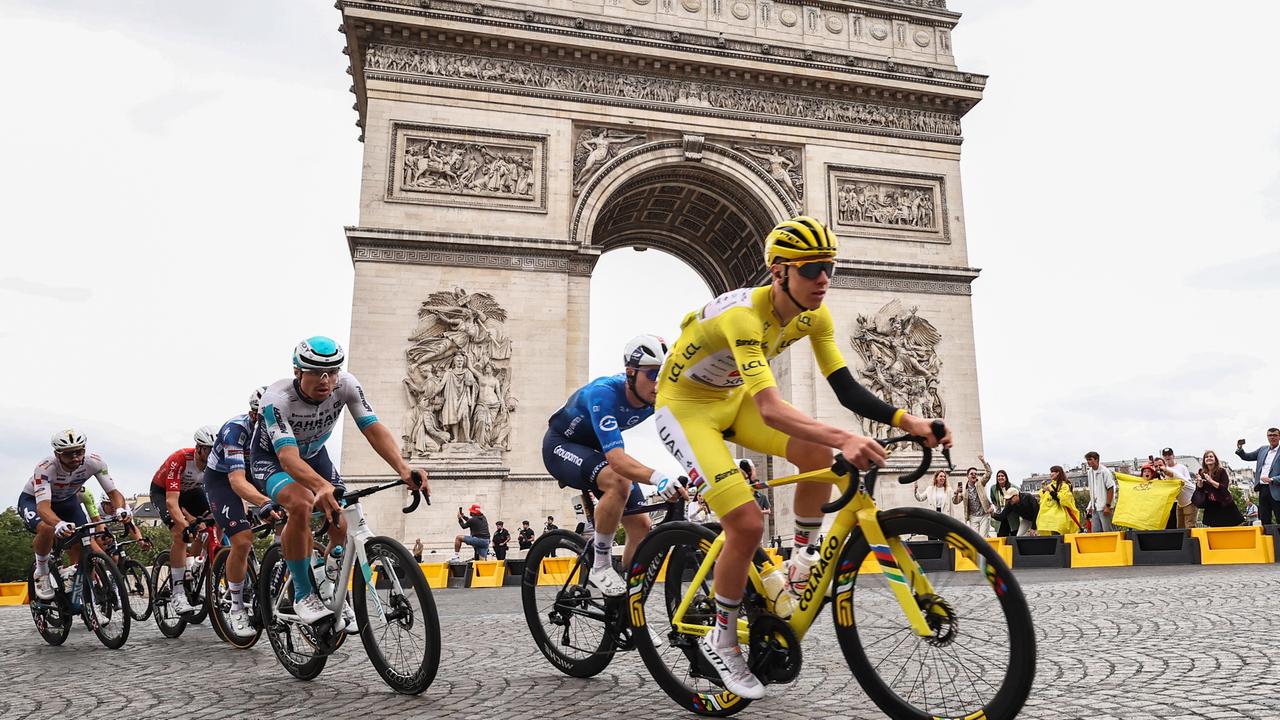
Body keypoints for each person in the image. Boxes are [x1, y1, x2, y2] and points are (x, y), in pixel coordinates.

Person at [652, 215, 950, 700]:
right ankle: (722, 638)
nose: (823, 279)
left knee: (817, 452)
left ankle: (801, 557)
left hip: (733, 398)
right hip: (686, 409)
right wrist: (846, 439)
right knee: (746, 525)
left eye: (829, 266)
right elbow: (771, 409)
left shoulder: (817, 315)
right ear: (778, 272)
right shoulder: (743, 316)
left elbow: (847, 388)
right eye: (811, 268)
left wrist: (909, 421)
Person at [252, 336, 426, 625]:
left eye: (332, 372)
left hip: (314, 455)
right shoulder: (277, 399)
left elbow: (372, 428)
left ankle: (328, 583)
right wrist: (319, 486)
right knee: (301, 503)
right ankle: (303, 594)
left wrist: (403, 469)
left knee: (342, 521)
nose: (326, 380)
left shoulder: (346, 385)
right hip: (273, 459)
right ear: (297, 372)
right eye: (316, 373)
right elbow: (287, 458)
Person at [542, 334, 686, 596]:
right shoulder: (604, 393)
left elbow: (686, 435)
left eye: (664, 376)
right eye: (652, 375)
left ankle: (628, 609)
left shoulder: (658, 398)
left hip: (596, 451)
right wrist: (659, 478)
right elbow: (617, 460)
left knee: (642, 528)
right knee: (619, 480)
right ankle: (600, 564)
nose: (658, 384)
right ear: (631, 373)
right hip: (561, 446)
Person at [19, 429, 132, 601]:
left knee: (83, 540)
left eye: (79, 452)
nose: (75, 458)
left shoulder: (94, 462)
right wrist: (58, 524)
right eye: (69, 454)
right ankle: (41, 572)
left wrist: (120, 509)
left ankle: (82, 589)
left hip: (67, 502)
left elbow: (113, 493)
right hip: (33, 501)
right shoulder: (45, 468)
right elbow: (43, 508)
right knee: (47, 529)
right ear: (57, 454)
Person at [204, 386, 281, 637]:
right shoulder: (235, 429)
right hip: (223, 480)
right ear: (252, 415)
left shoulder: (280, 426)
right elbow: (237, 482)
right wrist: (263, 502)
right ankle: (236, 607)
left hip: (255, 473)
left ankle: (277, 577)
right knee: (243, 540)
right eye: (262, 419)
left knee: (292, 518)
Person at [150, 426, 218, 614]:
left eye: (216, 449)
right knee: (181, 533)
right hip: (164, 493)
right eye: (208, 450)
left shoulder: (217, 463)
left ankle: (194, 565)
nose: (213, 454)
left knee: (214, 521)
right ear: (198, 448)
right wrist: (184, 523)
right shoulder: (181, 459)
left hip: (191, 493)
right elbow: (172, 502)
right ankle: (178, 592)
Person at [1236, 429, 1280, 525]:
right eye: (1270, 435)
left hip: (1277, 489)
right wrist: (1240, 448)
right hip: (1263, 488)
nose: (1272, 437)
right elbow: (1247, 456)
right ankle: (1268, 539)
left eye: (1275, 435)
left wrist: (1272, 479)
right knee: (1264, 518)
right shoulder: (1262, 450)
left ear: (1279, 437)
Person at [1196, 450, 1245, 527]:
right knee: (1214, 527)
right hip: (1211, 504)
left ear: (1215, 459)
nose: (1209, 458)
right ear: (1204, 460)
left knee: (1231, 526)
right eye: (1206, 457)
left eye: (1211, 456)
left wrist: (1211, 481)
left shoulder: (1221, 471)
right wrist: (1199, 482)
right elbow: (1199, 489)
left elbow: (1224, 487)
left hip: (1224, 502)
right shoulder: (1202, 472)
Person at [1037, 465, 1081, 535]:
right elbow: (1044, 499)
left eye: (1052, 472)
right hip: (1051, 512)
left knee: (1058, 527)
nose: (1050, 474)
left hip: (1061, 513)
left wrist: (1051, 491)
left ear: (1058, 473)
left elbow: (1064, 499)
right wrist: (1044, 491)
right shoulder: (1050, 485)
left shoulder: (1064, 485)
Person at [952, 465, 992, 536]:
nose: (974, 475)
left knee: (983, 537)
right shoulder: (964, 490)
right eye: (971, 474)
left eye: (975, 474)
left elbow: (989, 473)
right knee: (975, 538)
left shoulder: (980, 483)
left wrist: (983, 461)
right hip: (973, 517)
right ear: (967, 476)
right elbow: (955, 502)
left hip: (984, 515)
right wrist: (956, 492)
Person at [1161, 448, 1196, 529]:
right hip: (1178, 501)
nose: (1167, 457)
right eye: (1165, 455)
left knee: (1189, 525)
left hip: (1188, 499)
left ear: (1173, 456)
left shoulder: (1181, 468)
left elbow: (1187, 481)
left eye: (1169, 455)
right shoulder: (1162, 471)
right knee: (1179, 526)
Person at [1083, 451, 1117, 533]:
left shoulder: (1105, 471)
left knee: (1108, 530)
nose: (1088, 462)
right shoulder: (1090, 472)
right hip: (1095, 507)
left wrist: (1108, 505)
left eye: (1090, 459)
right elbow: (1093, 490)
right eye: (1087, 460)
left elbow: (1110, 488)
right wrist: (1090, 505)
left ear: (1097, 460)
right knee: (1096, 531)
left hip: (1104, 507)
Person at [987, 467, 1019, 537]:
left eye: (1002, 476)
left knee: (1013, 535)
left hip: (1011, 515)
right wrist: (997, 507)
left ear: (1006, 478)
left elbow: (1018, 498)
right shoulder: (993, 488)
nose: (1000, 477)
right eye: (998, 476)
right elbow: (993, 499)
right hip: (1000, 514)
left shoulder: (1013, 487)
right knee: (1001, 535)